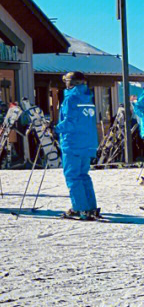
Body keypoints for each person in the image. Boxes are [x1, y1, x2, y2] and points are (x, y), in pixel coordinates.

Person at [55, 71, 100, 220]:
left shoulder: (70, 98)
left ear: (71, 83)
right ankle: (90, 207)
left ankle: (80, 208)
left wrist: (55, 128)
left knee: (73, 176)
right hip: (88, 143)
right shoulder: (88, 97)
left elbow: (70, 122)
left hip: (73, 143)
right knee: (83, 175)